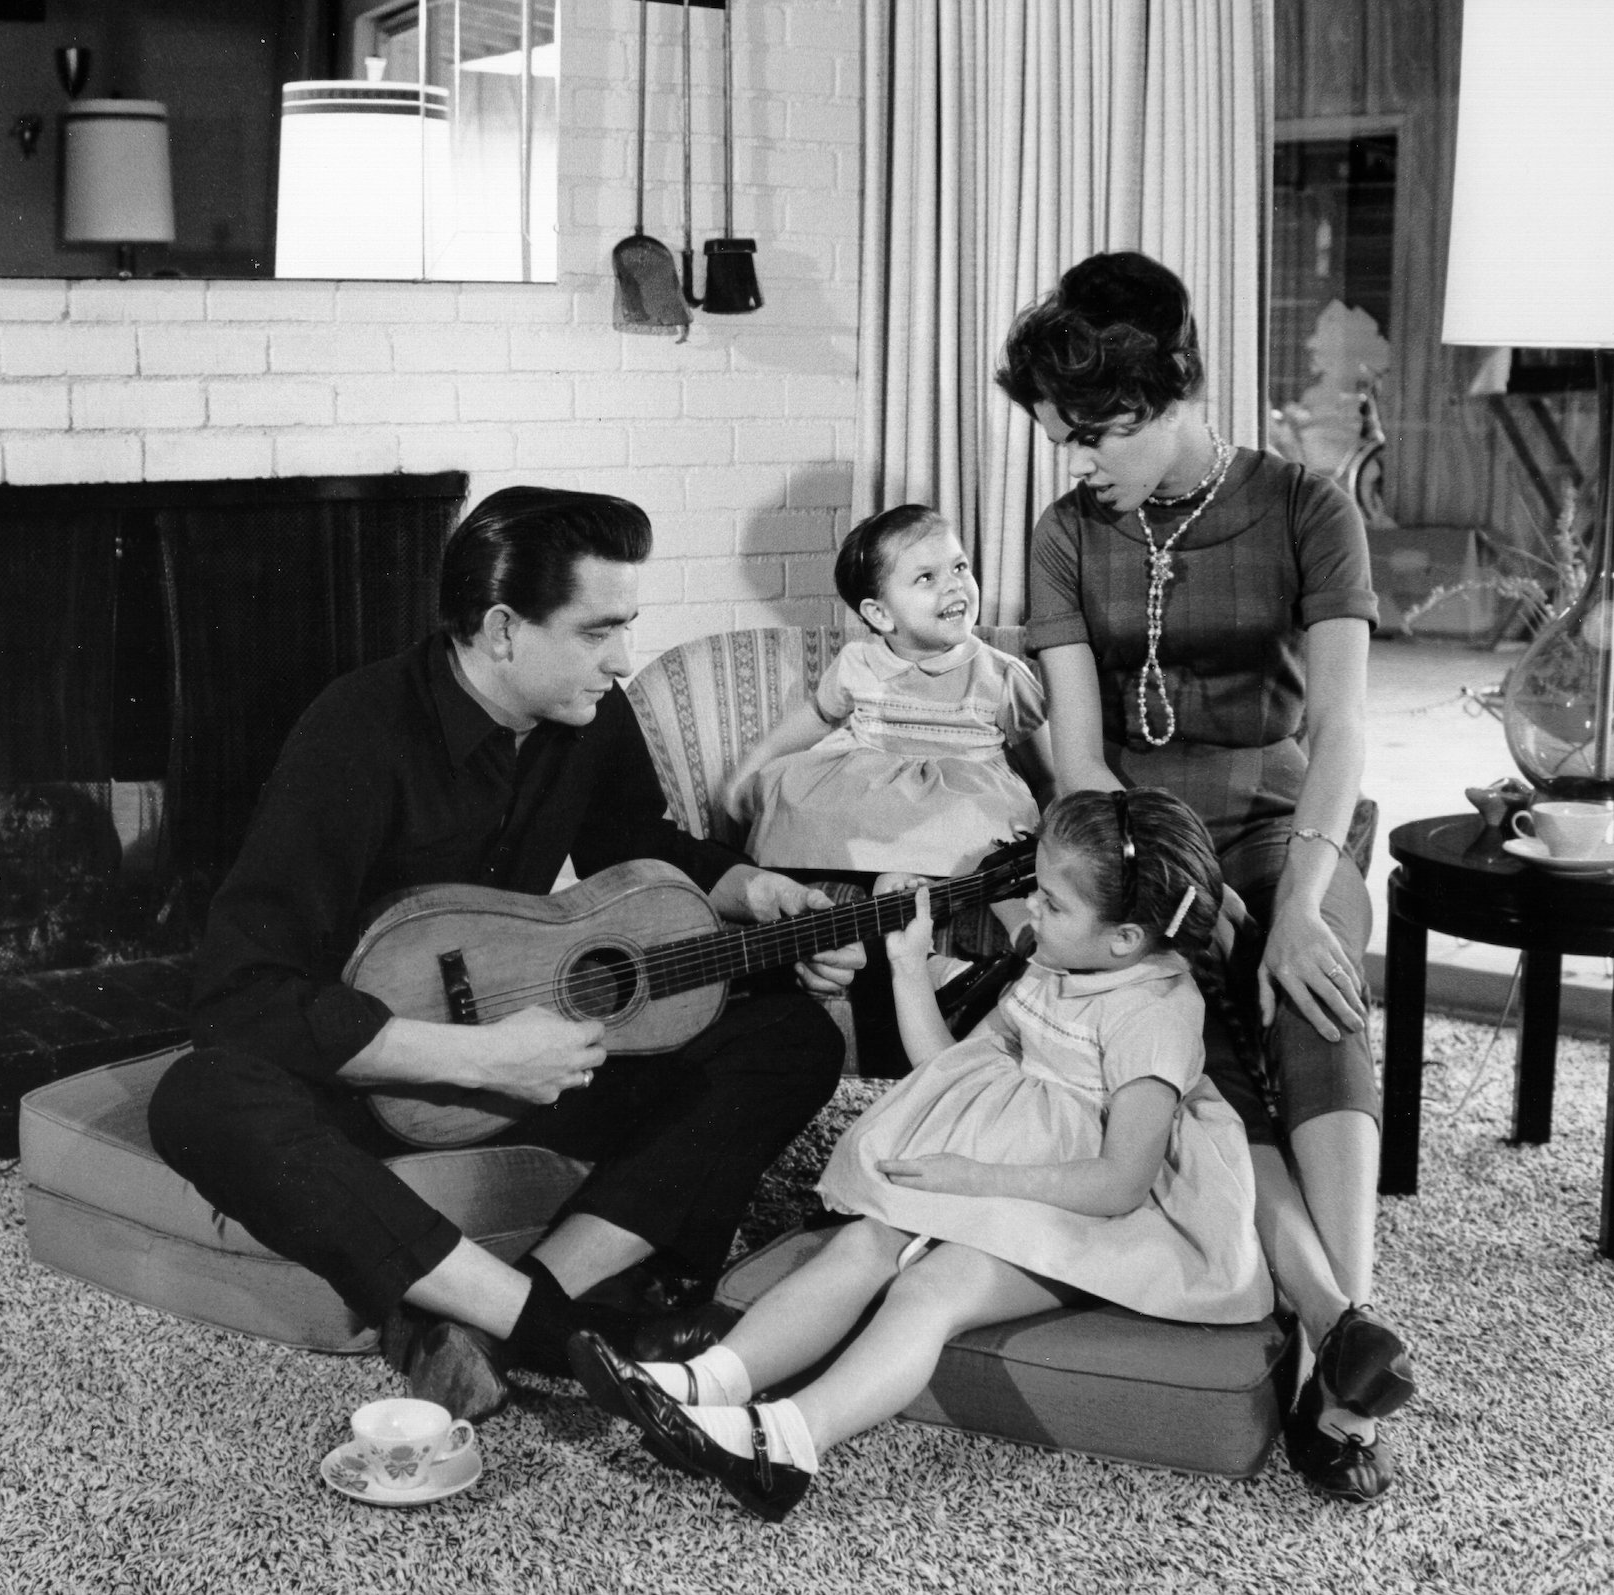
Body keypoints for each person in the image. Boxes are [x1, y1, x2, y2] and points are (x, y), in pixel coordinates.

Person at [147, 486, 864, 1422]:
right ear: (500, 629)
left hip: (538, 1062)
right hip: (378, 1079)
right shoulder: (356, 732)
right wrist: (479, 1056)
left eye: (627, 628)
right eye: (597, 631)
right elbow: (239, 997)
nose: (622, 661)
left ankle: (481, 1315)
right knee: (201, 1097)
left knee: (792, 1036)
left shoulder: (589, 713)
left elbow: (639, 847)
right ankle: (547, 1325)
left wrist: (752, 893)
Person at [994, 250, 1415, 1503]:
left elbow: (1340, 727)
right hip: (1132, 833)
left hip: (1293, 817)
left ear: (1173, 391)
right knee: (1191, 1037)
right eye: (1063, 434)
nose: (1075, 458)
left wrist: (1292, 901)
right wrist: (1158, 885)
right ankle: (1338, 1347)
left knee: (1311, 988)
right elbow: (1074, 749)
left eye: (1094, 431)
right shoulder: (1067, 530)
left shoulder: (1305, 505)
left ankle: (1337, 1332)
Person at [569, 788, 1268, 1522]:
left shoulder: (1151, 1013)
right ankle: (703, 1384)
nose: (1030, 910)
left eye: (1053, 904)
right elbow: (952, 1068)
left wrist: (972, 1179)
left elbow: (1122, 1181)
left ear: (1125, 938)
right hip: (1015, 1168)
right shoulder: (1059, 960)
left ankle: (789, 1440)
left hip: (1096, 1207)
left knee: (933, 1288)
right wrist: (906, 964)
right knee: (865, 1241)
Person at [728, 503, 1050, 879]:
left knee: (981, 820)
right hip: (873, 794)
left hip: (960, 799)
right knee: (791, 792)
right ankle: (880, 875)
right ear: (880, 615)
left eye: (959, 567)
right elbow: (815, 719)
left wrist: (1052, 833)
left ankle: (907, 877)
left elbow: (1048, 774)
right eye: (926, 577)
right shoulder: (858, 663)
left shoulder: (1001, 675)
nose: (954, 585)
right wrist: (750, 770)